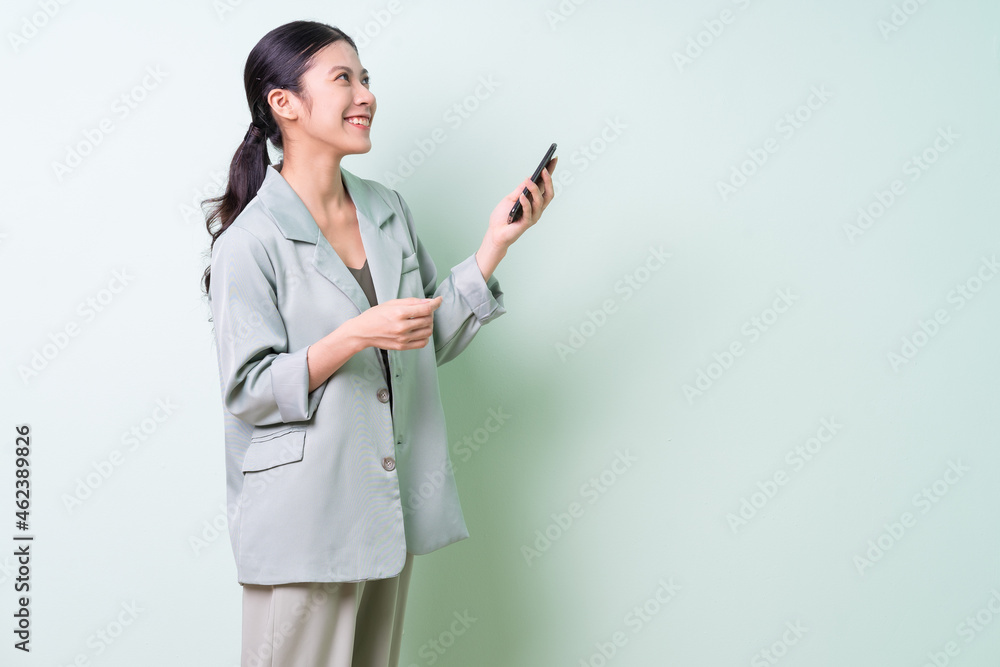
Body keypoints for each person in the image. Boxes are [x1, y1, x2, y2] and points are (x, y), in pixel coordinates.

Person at [200, 20, 556, 667]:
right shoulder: (249, 243)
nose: (365, 94)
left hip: (383, 507)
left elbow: (422, 342)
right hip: (304, 520)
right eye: (344, 79)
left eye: (365, 78)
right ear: (285, 104)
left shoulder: (385, 208)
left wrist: (495, 245)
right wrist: (356, 333)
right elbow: (248, 390)